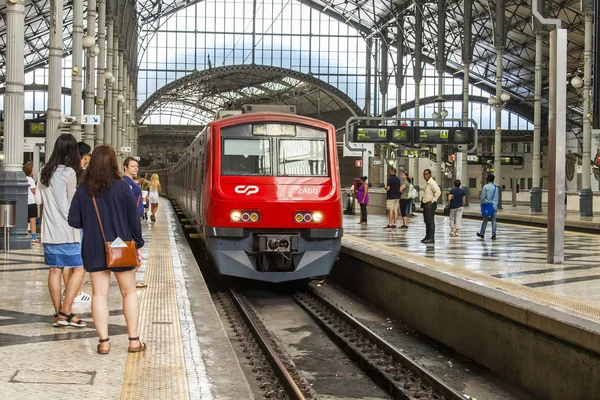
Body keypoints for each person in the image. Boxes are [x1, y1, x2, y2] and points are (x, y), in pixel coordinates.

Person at [68, 145, 146, 354]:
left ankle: (104, 342)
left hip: (94, 247)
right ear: (113, 163)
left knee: (99, 295)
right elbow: (133, 220)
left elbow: (73, 220)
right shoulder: (122, 187)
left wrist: (92, 221)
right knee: (129, 292)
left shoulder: (84, 189)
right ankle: (133, 341)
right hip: (121, 246)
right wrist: (137, 244)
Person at [38, 133, 87, 328]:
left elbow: (41, 200)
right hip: (68, 229)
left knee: (55, 270)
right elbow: (73, 203)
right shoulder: (69, 173)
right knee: (80, 268)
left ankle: (58, 312)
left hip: (49, 230)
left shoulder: (43, 172)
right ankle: (66, 311)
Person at [421, 169, 441, 244]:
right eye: (424, 174)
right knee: (426, 221)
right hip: (426, 204)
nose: (425, 176)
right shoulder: (427, 183)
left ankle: (431, 238)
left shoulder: (432, 183)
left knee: (430, 221)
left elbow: (438, 191)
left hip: (430, 205)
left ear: (430, 174)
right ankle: (427, 236)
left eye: (426, 174)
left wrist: (433, 200)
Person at [477, 174, 499, 240]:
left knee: (485, 220)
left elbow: (482, 197)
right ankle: (494, 235)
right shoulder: (496, 188)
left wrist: (482, 204)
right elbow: (497, 197)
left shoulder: (485, 187)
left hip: (487, 206)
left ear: (488, 179)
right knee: (494, 220)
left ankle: (482, 233)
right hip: (494, 206)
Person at [23, 162, 40, 245]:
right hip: (31, 202)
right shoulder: (30, 179)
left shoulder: (22, 178)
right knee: (32, 219)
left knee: (24, 219)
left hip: (24, 202)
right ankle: (33, 237)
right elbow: (34, 190)